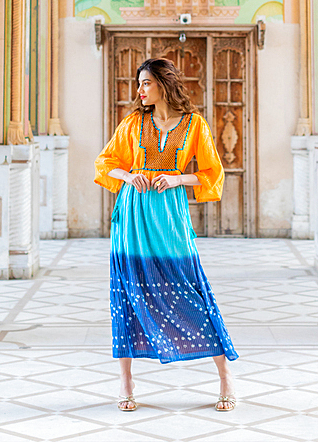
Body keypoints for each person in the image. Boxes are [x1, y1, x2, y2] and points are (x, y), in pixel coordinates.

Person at [94, 57, 238, 413]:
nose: (139, 90)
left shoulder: (194, 125)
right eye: (139, 84)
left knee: (190, 288)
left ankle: (225, 377)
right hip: (132, 213)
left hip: (170, 214)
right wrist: (129, 176)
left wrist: (176, 178)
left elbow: (212, 173)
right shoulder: (132, 124)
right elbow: (105, 163)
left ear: (163, 84)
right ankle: (126, 382)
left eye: (145, 83)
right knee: (128, 294)